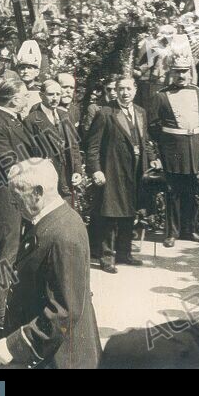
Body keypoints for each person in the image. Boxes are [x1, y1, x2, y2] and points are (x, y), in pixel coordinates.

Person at [0, 158, 101, 369]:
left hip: (58, 357)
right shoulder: (51, 220)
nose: (12, 204)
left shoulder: (63, 234)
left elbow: (64, 311)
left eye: (16, 196)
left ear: (37, 193)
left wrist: (13, 346)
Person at [0, 78, 33, 324]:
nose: (27, 99)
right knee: (6, 252)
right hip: (5, 195)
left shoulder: (12, 118)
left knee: (20, 250)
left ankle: (14, 303)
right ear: (13, 99)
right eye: (24, 95)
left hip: (21, 192)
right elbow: (8, 163)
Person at [149, 59, 199, 247]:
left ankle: (190, 230)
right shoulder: (161, 95)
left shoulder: (197, 92)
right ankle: (172, 233)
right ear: (171, 73)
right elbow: (152, 125)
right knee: (173, 191)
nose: (181, 75)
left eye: (184, 71)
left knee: (193, 190)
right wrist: (162, 146)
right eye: (177, 72)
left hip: (195, 147)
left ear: (189, 72)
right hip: (173, 149)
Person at [86, 75, 149, 272]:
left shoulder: (140, 112)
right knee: (110, 214)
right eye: (121, 89)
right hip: (112, 170)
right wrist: (96, 170)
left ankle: (125, 253)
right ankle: (107, 257)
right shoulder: (106, 112)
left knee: (130, 212)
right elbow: (92, 146)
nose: (124, 93)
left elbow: (144, 141)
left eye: (128, 89)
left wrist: (151, 158)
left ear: (135, 90)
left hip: (135, 170)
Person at [25, 80, 83, 202]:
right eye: (51, 94)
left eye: (58, 94)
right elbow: (29, 153)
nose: (55, 98)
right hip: (48, 179)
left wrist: (78, 170)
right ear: (41, 96)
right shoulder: (32, 120)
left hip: (69, 177)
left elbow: (74, 146)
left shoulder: (65, 115)